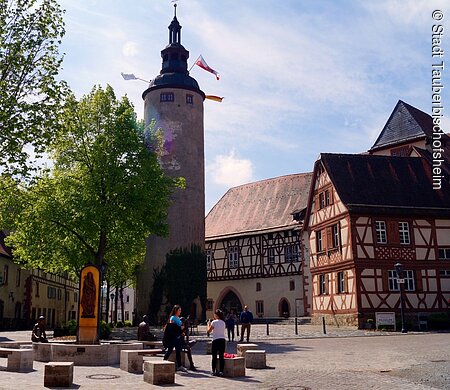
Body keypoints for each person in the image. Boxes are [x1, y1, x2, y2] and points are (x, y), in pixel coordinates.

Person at [163, 305, 187, 372]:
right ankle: (164, 360)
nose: (180, 311)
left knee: (178, 351)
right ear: (176, 310)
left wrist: (182, 332)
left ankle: (179, 366)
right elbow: (172, 328)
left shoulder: (178, 318)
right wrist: (180, 328)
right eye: (179, 310)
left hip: (178, 337)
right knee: (170, 350)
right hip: (174, 337)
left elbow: (179, 327)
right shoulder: (173, 318)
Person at [207, 309, 226, 376]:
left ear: (216, 315)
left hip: (215, 340)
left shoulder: (214, 322)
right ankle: (221, 371)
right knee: (221, 356)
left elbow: (209, 331)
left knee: (214, 356)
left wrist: (208, 324)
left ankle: (214, 370)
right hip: (222, 340)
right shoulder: (223, 322)